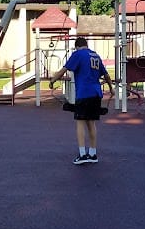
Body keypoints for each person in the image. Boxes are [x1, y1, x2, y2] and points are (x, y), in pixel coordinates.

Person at [49, 37, 114, 165]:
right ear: (86, 45)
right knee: (91, 123)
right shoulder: (95, 55)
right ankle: (93, 153)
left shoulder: (78, 54)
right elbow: (106, 75)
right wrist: (111, 89)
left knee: (80, 122)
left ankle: (82, 154)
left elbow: (64, 70)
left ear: (77, 46)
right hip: (96, 93)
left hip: (84, 92)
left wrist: (52, 80)